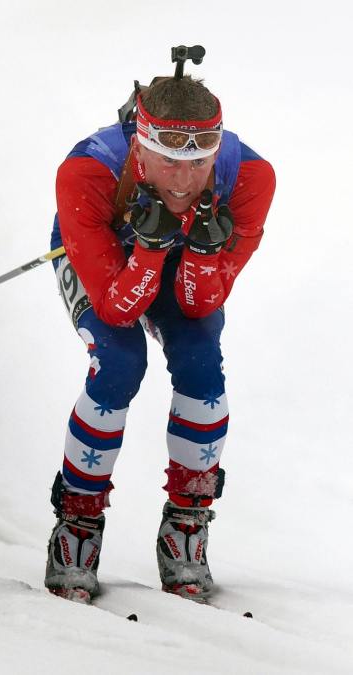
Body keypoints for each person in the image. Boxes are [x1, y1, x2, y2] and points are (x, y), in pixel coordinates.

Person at [45, 66, 275, 603]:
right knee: (119, 362)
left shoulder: (249, 178)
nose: (182, 177)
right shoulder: (87, 171)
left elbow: (201, 303)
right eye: (169, 158)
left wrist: (198, 249)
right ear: (139, 151)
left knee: (201, 362)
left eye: (198, 162)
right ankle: (78, 524)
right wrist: (148, 248)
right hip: (106, 258)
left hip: (179, 264)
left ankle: (188, 521)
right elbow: (117, 309)